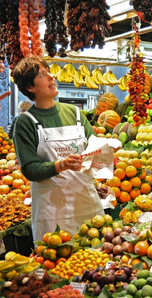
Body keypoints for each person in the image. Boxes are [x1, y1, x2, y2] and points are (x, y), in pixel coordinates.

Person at [12, 55, 105, 242]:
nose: (51, 77)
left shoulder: (75, 113)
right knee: (56, 263)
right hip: (52, 212)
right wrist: (62, 164)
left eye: (49, 73)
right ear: (30, 87)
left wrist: (106, 151)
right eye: (42, 75)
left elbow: (95, 148)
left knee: (96, 262)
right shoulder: (25, 123)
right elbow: (30, 169)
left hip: (86, 204)